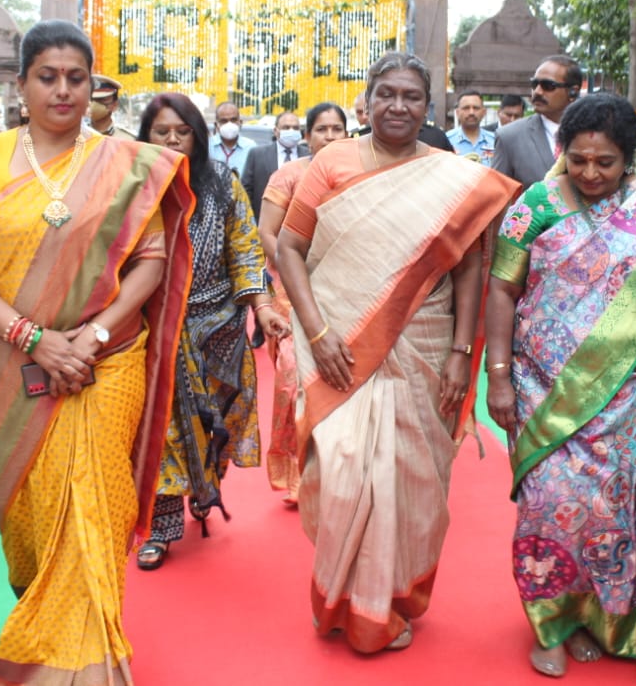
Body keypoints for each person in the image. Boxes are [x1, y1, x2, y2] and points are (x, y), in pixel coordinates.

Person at [0, 20, 193, 683]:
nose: (63, 90)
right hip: (10, 363)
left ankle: (81, 665)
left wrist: (94, 334)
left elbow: (151, 261)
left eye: (76, 78)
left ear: (92, 87)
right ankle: (52, 625)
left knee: (93, 512)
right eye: (47, 77)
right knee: (30, 519)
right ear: (20, 84)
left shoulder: (125, 162)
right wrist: (33, 338)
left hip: (107, 361)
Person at [276, 53, 517, 652]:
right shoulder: (331, 162)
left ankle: (386, 601)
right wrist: (316, 333)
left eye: (411, 96)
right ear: (367, 99)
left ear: (428, 105)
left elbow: (469, 268)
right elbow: (289, 249)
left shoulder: (451, 175)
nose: (398, 106)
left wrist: (461, 351)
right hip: (340, 344)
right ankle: (347, 597)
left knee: (414, 481)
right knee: (339, 474)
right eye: (387, 93)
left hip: (426, 343)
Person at [484, 92, 636, 680]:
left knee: (614, 515)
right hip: (541, 388)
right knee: (546, 509)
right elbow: (502, 290)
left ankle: (595, 617)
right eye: (579, 160)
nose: (591, 173)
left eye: (606, 162)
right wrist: (499, 377)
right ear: (562, 151)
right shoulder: (533, 206)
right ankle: (549, 624)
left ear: (630, 157)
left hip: (627, 393)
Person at [135, 93, 289, 570]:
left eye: (182, 132)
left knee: (212, 420)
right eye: (162, 132)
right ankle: (161, 526)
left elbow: (245, 249)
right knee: (161, 428)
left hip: (219, 326)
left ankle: (205, 486)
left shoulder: (222, 183)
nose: (172, 140)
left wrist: (262, 307)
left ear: (198, 137)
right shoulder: (133, 187)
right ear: (145, 136)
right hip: (156, 326)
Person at [258, 102, 349, 504]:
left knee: (340, 378)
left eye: (337, 129)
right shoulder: (288, 176)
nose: (329, 136)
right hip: (293, 294)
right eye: (322, 129)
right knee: (293, 378)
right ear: (308, 136)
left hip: (346, 291)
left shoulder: (358, 174)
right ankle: (296, 475)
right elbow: (267, 231)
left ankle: (336, 471)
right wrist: (296, 270)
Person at [492, 55, 581, 188]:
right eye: (534, 84)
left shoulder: (594, 134)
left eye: (548, 86)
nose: (537, 92)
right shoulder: (509, 137)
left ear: (573, 92)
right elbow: (497, 194)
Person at [241, 110, 308, 221]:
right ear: (276, 131)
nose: (291, 131)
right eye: (286, 127)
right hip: (264, 221)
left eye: (295, 128)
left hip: (300, 222)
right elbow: (246, 191)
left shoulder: (309, 155)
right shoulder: (257, 154)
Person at [446, 89, 495, 165]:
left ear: (484, 112)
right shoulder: (447, 140)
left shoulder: (495, 141)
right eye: (466, 108)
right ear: (457, 112)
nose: (471, 112)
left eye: (476, 108)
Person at [210, 100, 256, 176]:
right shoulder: (208, 146)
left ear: (240, 123)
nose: (229, 124)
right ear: (216, 125)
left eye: (233, 120)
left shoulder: (251, 147)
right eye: (224, 121)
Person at [88, 74, 135, 139]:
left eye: (102, 99)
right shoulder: (76, 137)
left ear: (115, 105)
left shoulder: (127, 139)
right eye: (91, 99)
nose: (94, 104)